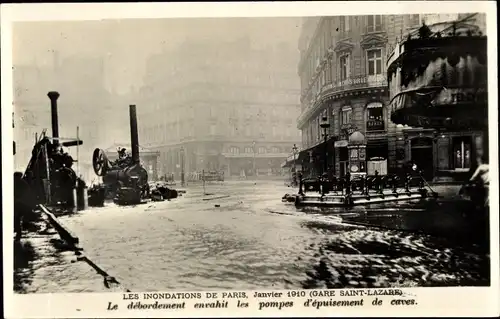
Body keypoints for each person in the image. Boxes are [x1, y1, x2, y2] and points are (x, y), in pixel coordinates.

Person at [14, 172, 36, 240]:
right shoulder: (23, 183)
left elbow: (26, 194)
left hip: (21, 203)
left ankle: (19, 232)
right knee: (16, 218)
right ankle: (19, 231)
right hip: (21, 204)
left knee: (16, 217)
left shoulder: (21, 183)